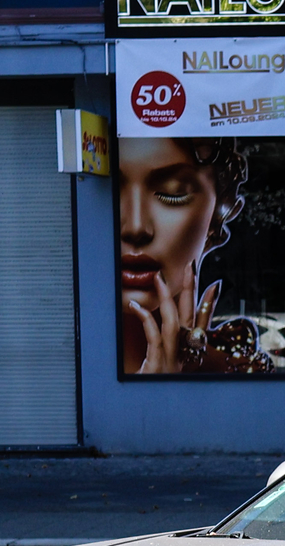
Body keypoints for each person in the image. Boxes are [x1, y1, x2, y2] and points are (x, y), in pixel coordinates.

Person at [116, 136, 271, 375]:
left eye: (173, 193)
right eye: (110, 197)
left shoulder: (238, 371)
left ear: (218, 211)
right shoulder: (56, 365)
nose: (135, 227)